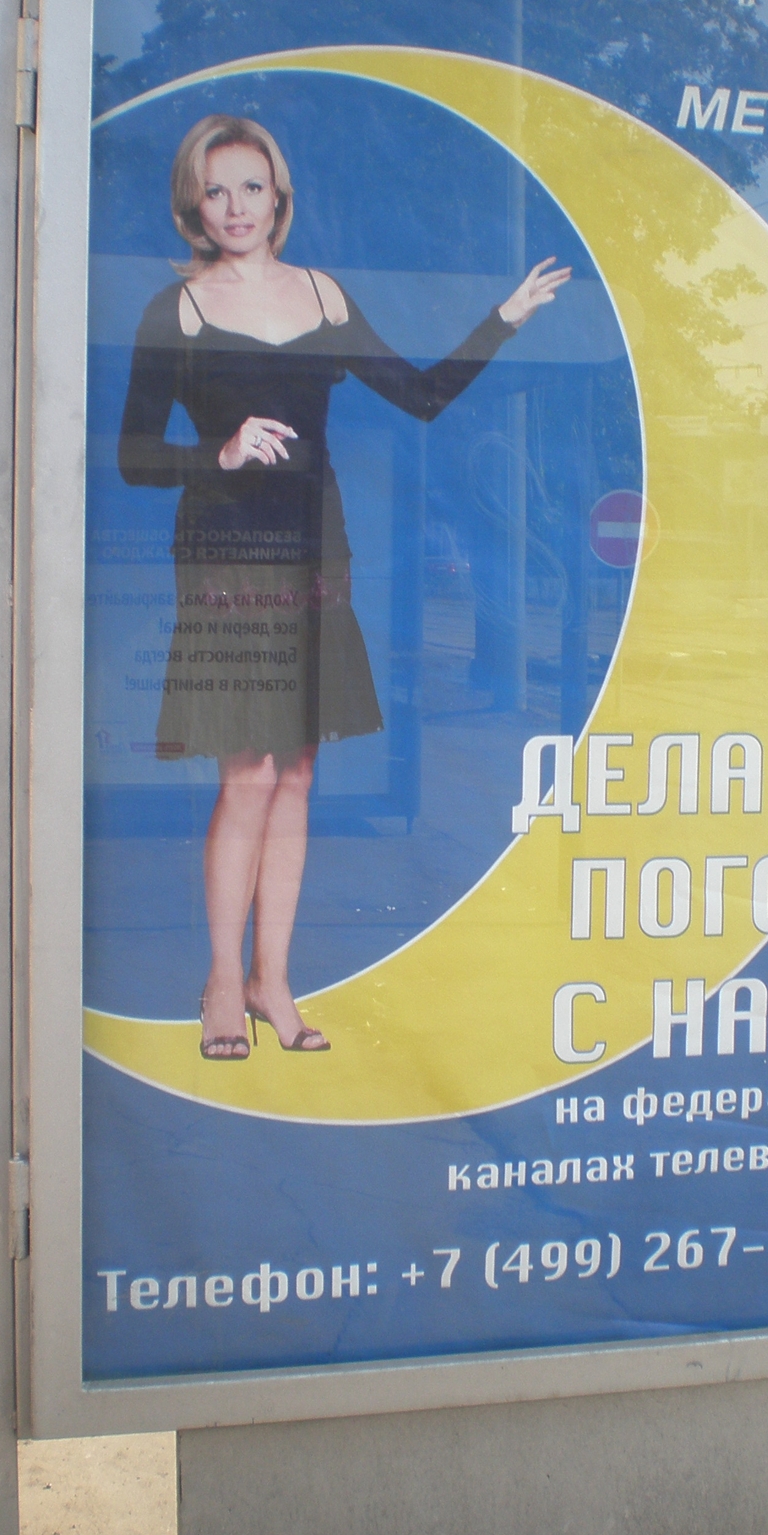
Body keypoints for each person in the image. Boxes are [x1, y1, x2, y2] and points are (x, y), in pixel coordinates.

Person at [118, 114, 568, 1059]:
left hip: (317, 552)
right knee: (247, 773)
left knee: (297, 773)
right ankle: (220, 983)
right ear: (193, 204)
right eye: (215, 190)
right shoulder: (177, 310)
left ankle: (271, 981)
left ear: (278, 196)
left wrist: (506, 319)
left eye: (251, 187)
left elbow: (422, 396)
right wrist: (219, 451)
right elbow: (132, 455)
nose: (235, 207)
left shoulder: (323, 295)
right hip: (226, 559)